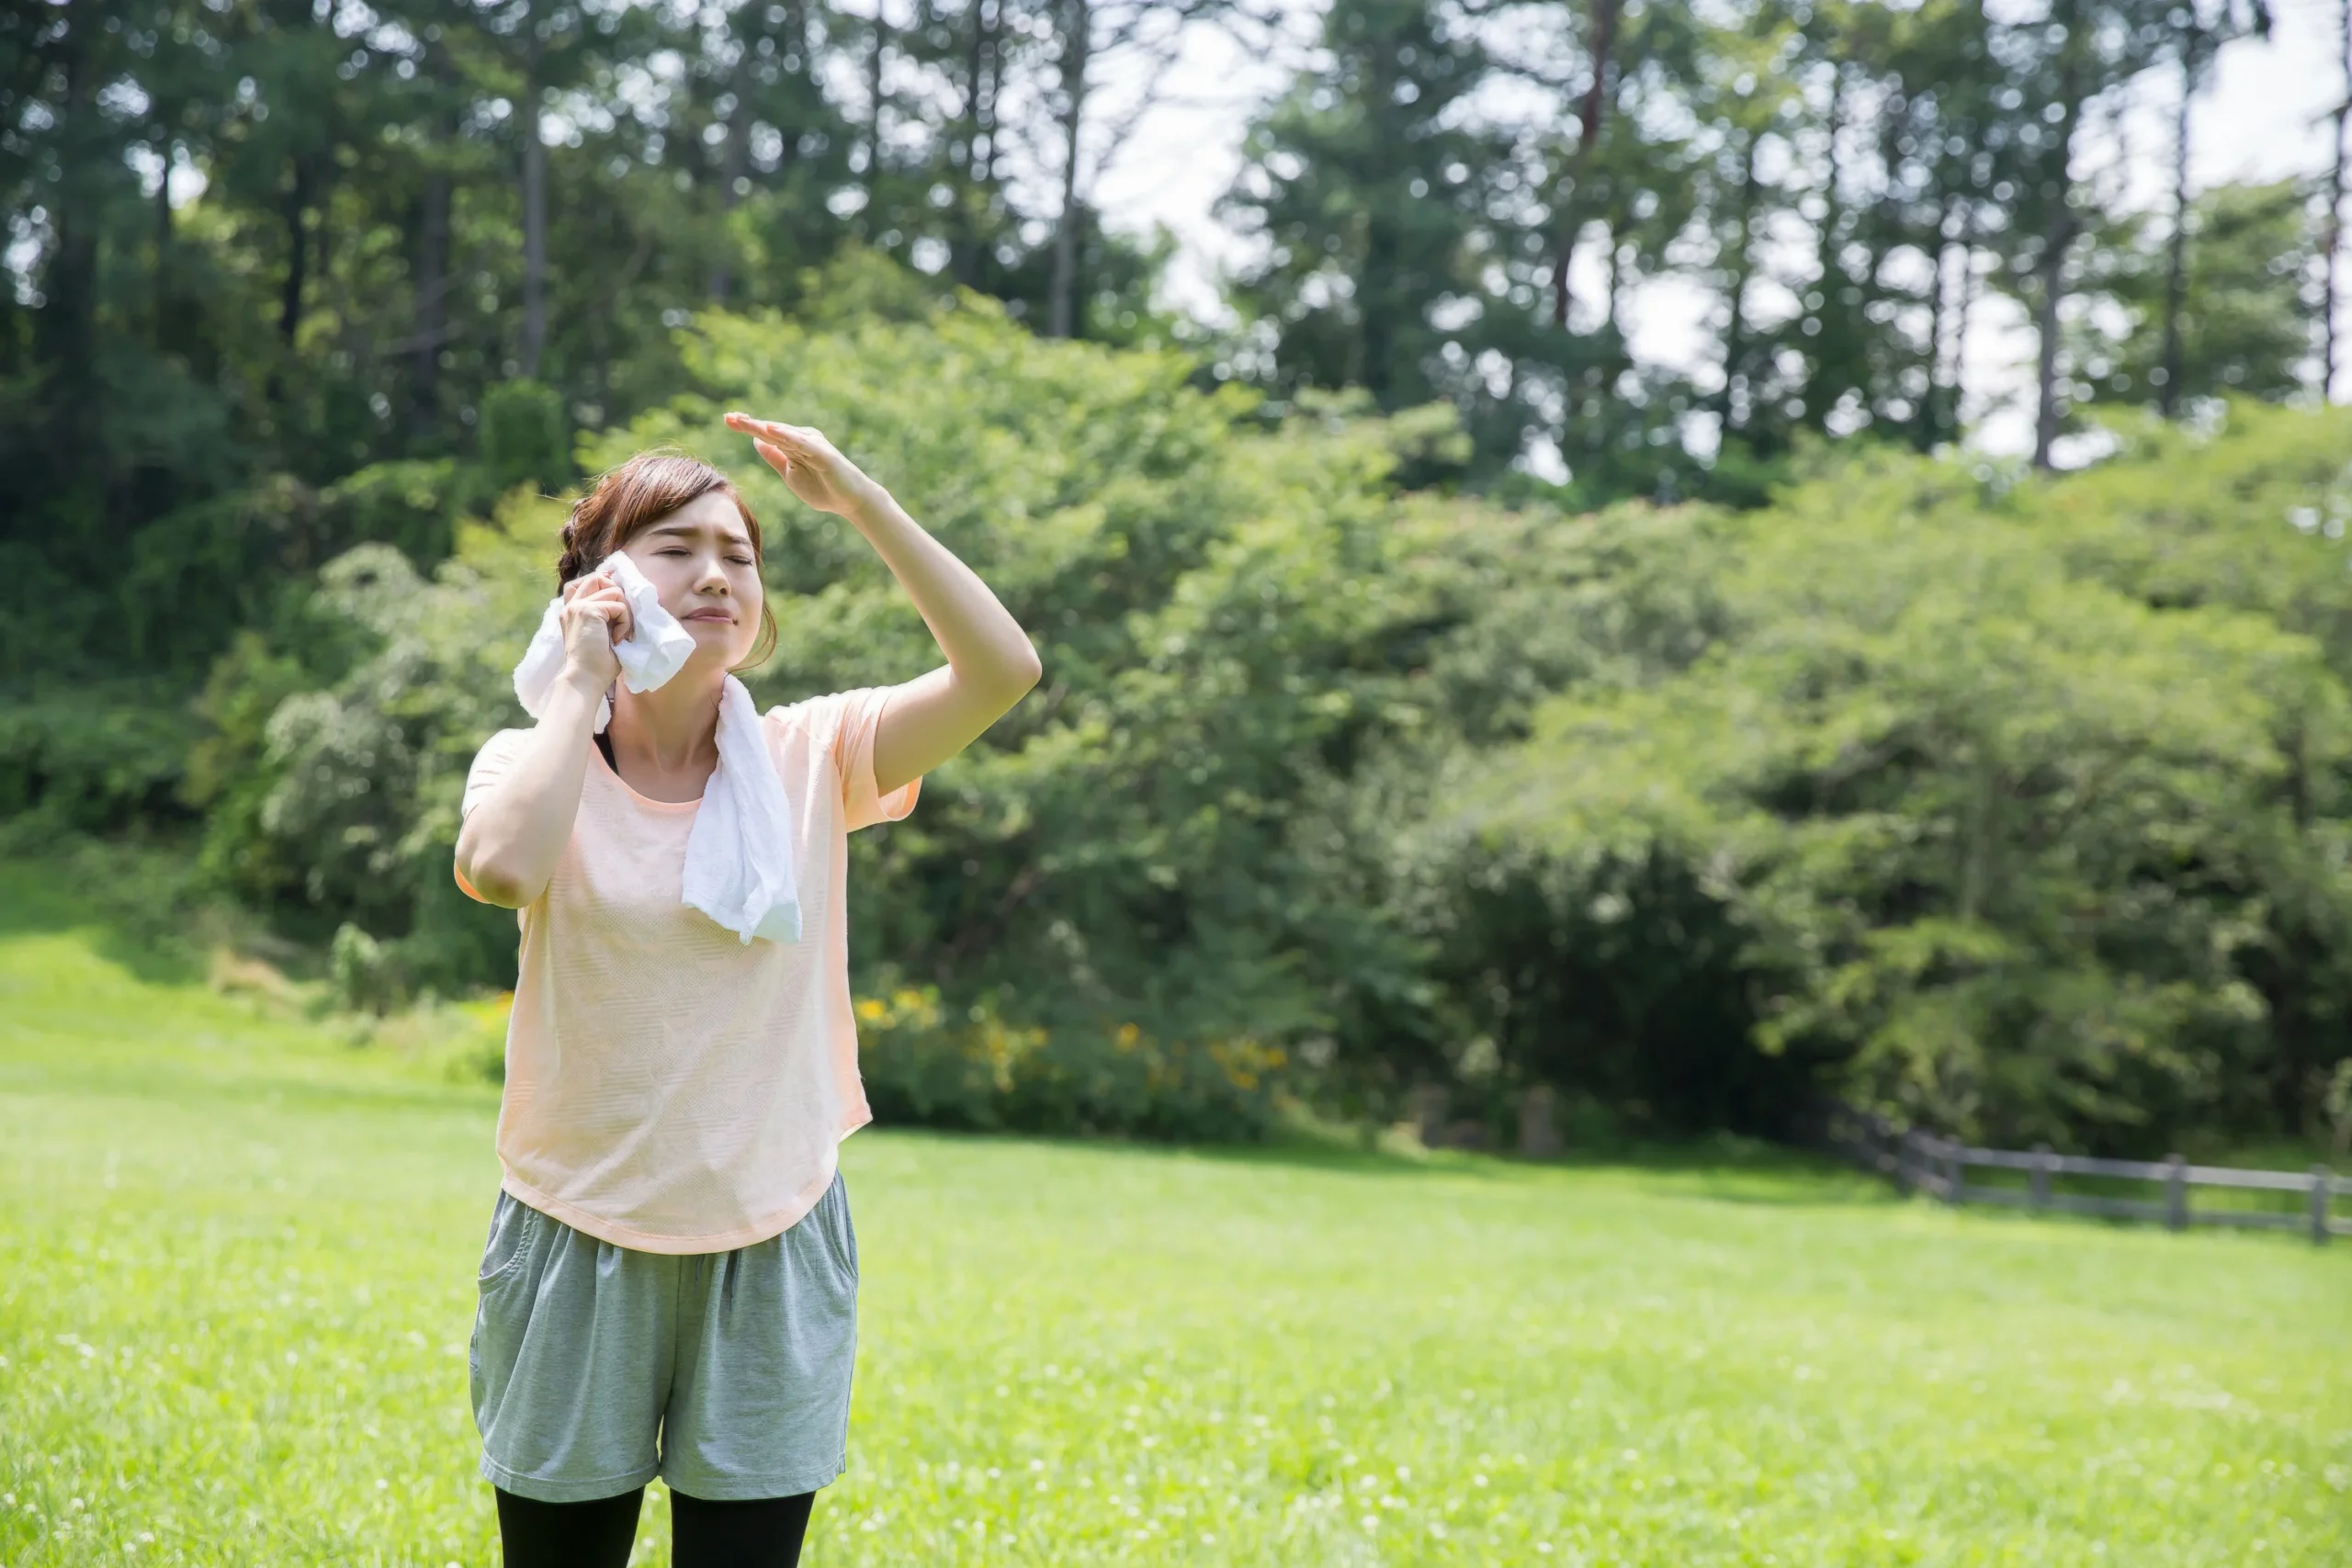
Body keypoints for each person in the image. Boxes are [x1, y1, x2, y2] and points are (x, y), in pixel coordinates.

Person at [452, 412, 1041, 1568]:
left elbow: (1002, 669)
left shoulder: (812, 756)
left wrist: (860, 498)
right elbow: (503, 869)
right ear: (600, 582)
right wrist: (580, 678)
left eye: (742, 552)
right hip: (579, 1233)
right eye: (677, 546)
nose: (718, 572)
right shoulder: (530, 761)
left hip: (773, 1235)